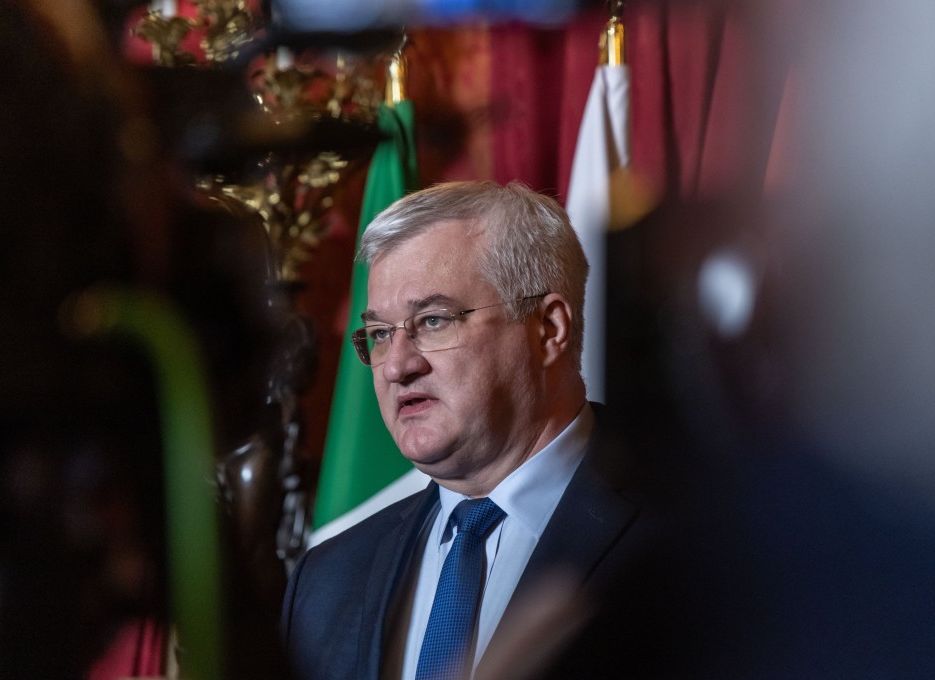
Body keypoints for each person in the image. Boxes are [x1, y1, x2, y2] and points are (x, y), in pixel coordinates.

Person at [281, 180, 663, 680]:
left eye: (434, 321)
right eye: (379, 334)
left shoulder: (692, 535)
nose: (396, 367)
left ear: (548, 329)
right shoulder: (327, 580)